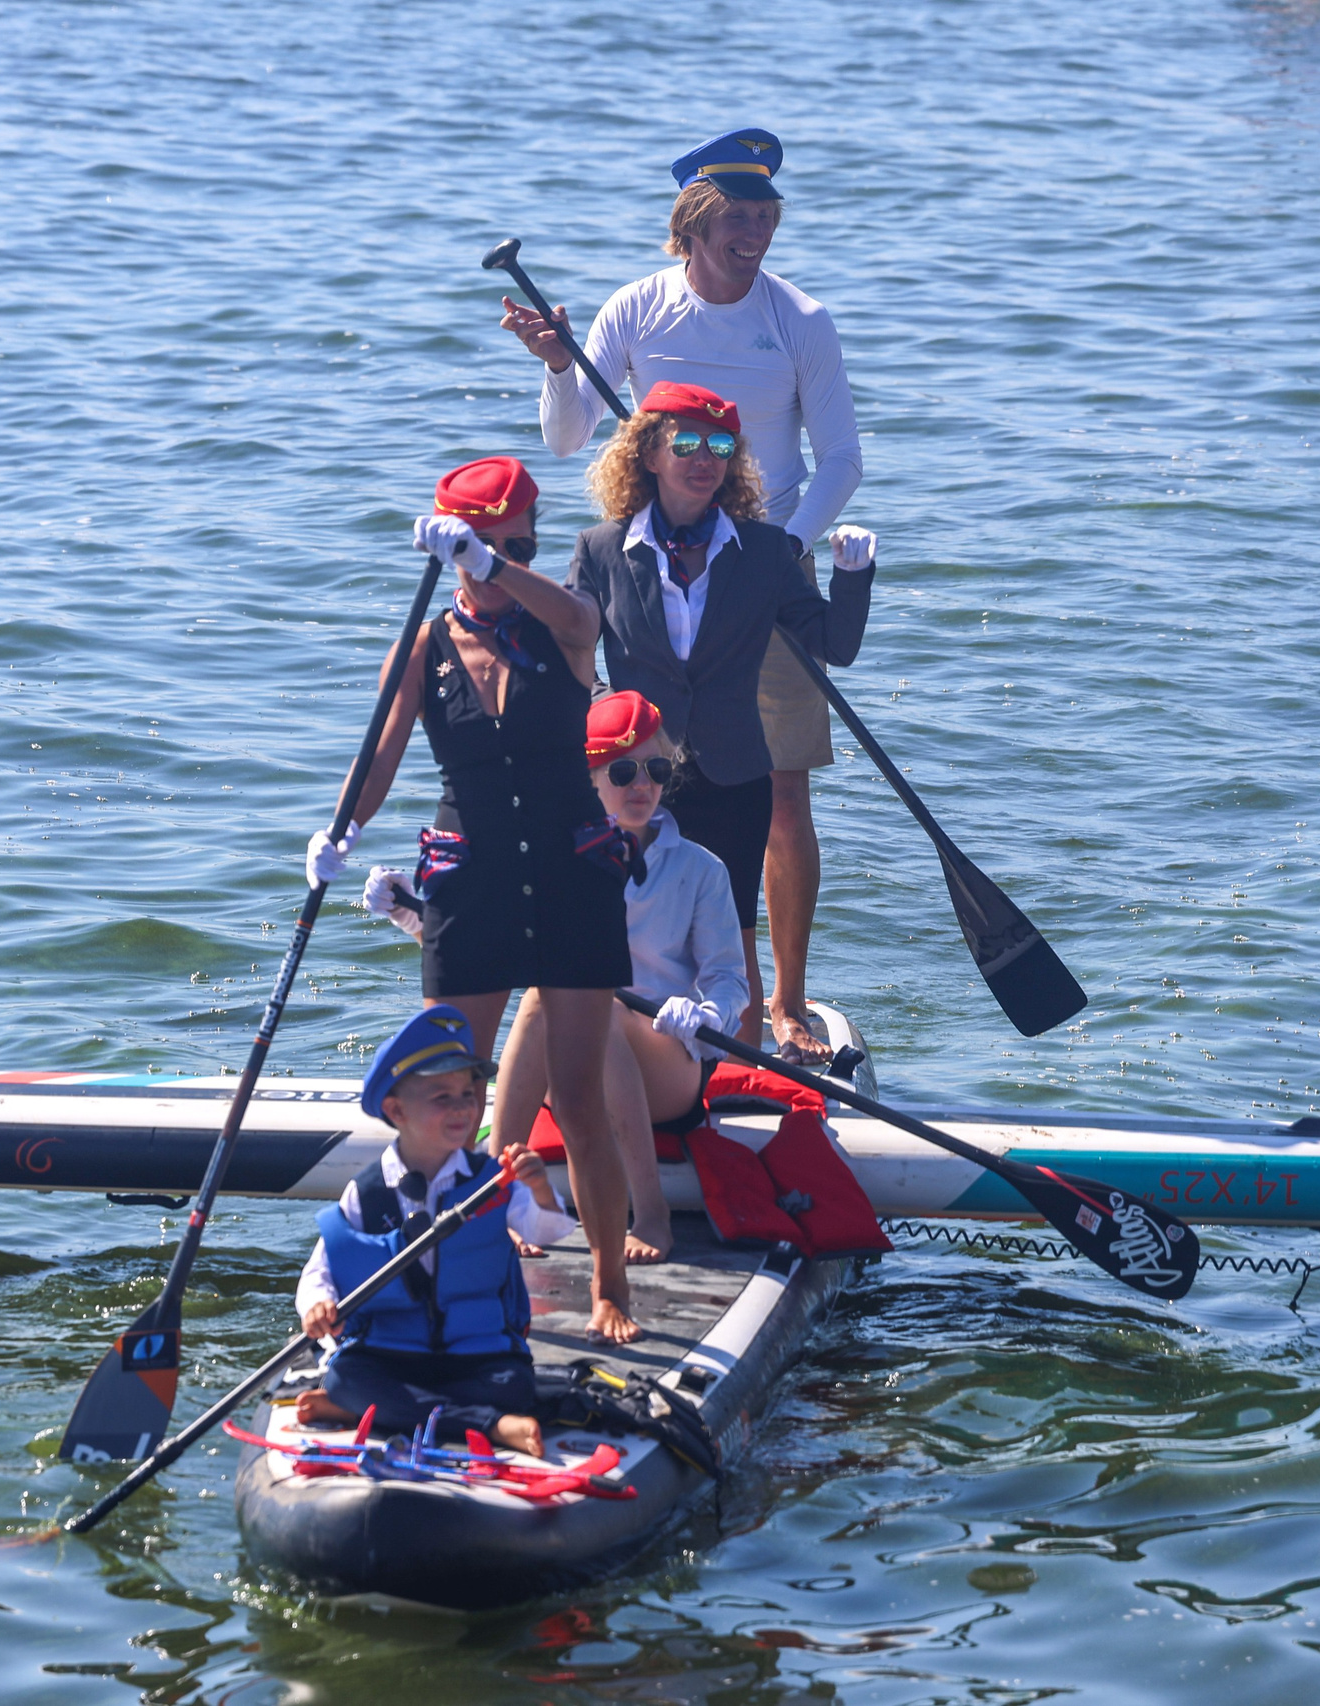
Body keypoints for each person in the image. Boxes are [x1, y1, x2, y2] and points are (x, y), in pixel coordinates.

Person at [500, 127, 863, 1063]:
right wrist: (556, 365)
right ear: (693, 226)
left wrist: (781, 553)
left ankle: (781, 1004)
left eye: (765, 217)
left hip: (766, 569)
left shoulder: (800, 320)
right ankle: (639, 976)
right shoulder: (636, 310)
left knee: (779, 792)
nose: (755, 233)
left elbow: (841, 463)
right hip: (650, 566)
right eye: (737, 218)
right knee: (635, 776)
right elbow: (570, 441)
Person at [314, 454, 641, 1343]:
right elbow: (381, 749)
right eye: (488, 547)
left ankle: (611, 1282)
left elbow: (587, 618)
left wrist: (502, 571)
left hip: (572, 876)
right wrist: (340, 830)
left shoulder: (558, 625)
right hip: (472, 879)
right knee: (443, 1093)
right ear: (450, 550)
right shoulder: (424, 645)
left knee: (577, 1096)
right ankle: (431, 1277)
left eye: (521, 545)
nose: (506, 561)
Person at [564, 383, 875, 1059]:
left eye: (720, 445)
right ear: (648, 451)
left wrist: (852, 573)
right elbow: (570, 656)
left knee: (731, 939)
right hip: (634, 774)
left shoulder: (764, 552)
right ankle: (622, 1064)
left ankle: (734, 1078)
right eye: (685, 443)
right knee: (624, 927)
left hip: (733, 776)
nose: (703, 458)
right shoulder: (601, 549)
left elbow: (834, 646)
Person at [487, 690, 749, 1263]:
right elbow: (489, 944)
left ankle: (651, 1212)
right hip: (574, 1067)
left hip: (667, 1068)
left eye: (656, 769)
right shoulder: (554, 858)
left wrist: (708, 1016)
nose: (643, 785)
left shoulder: (703, 870)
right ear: (590, 780)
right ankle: (492, 1193)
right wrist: (411, 911)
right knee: (548, 996)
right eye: (624, 770)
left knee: (591, 1001)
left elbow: (730, 979)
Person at [292, 1006, 574, 1456]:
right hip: (390, 1354)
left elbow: (549, 1229)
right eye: (442, 1097)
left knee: (516, 1386)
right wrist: (317, 1305)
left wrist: (540, 1187)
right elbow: (320, 1269)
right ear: (396, 1109)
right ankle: (490, 1426)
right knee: (347, 1377)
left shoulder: (490, 1180)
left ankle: (377, 1410)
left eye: (467, 1093)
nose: (462, 1107)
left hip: (478, 1357)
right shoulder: (365, 1192)